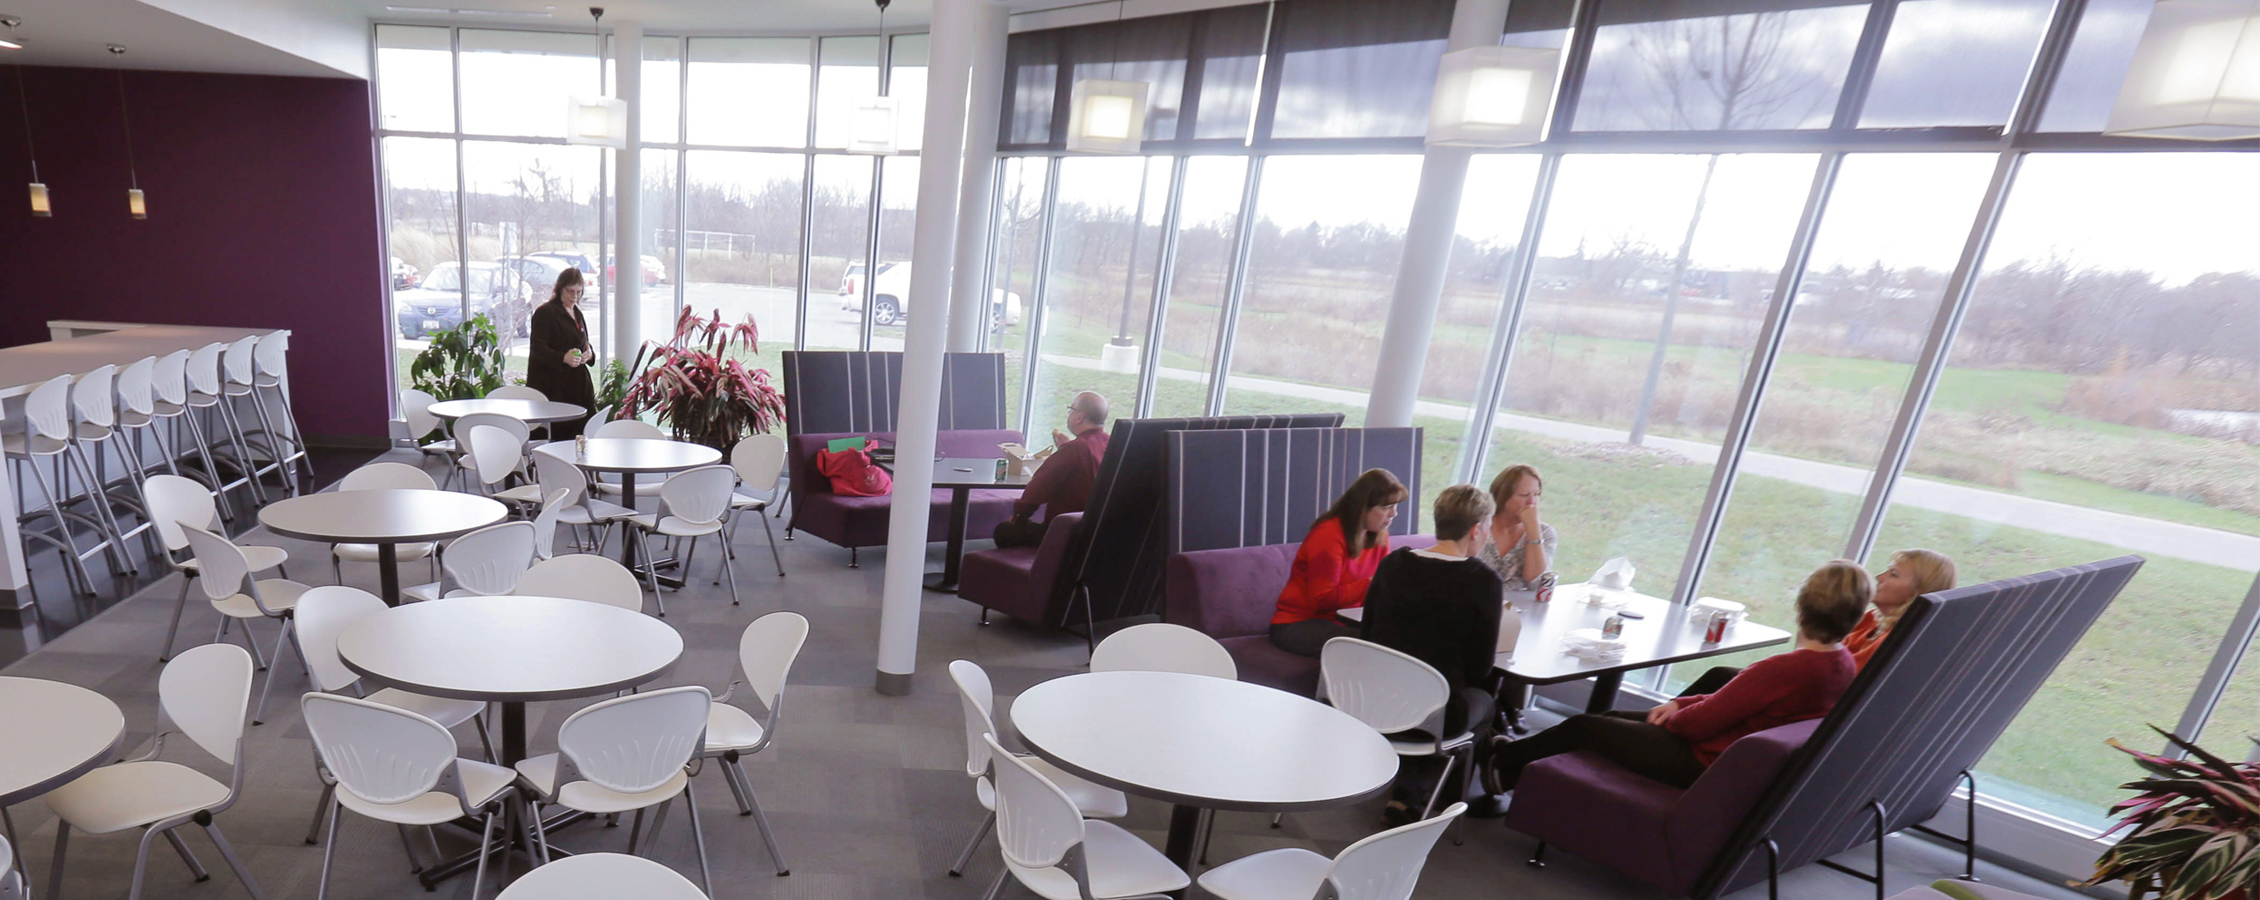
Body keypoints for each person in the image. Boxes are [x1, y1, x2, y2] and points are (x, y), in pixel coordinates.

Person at [1481, 560, 1870, 795]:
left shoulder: (1785, 668)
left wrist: (1678, 712)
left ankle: (1503, 760)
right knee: (1610, 717)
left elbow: (1697, 724)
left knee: (1585, 725)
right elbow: (1727, 705)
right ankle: (1513, 770)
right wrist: (1679, 704)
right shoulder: (1842, 665)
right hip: (1729, 756)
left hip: (1701, 760)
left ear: (1802, 605)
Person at [1359, 484, 1503, 823]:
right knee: (1485, 703)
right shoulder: (1482, 580)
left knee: (1428, 693)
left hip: (1372, 698)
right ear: (1476, 529)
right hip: (1431, 713)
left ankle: (1403, 783)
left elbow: (1367, 634)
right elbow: (1480, 667)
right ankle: (1419, 791)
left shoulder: (1394, 563)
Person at [1677, 548, 1957, 695]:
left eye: (1894, 574)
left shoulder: (1895, 640)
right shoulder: (1872, 620)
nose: (1880, 577)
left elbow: (1833, 678)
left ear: (1918, 592)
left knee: (1731, 683)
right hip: (1808, 689)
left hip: (1814, 704)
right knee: (1721, 675)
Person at [1268, 469, 1408, 658]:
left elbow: (1378, 593)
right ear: (1363, 507)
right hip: (1297, 624)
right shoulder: (1328, 535)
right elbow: (1321, 601)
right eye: (1386, 507)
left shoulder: (1379, 537)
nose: (1394, 514)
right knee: (1376, 646)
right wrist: (1372, 583)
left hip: (1343, 621)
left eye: (1395, 506)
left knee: (1403, 636)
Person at [991, 391, 1111, 548]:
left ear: (1079, 417)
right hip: (1096, 532)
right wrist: (1065, 449)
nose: (1069, 414)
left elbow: (1038, 490)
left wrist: (1019, 517)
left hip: (1065, 533)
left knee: (1003, 531)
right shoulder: (1111, 443)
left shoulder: (1074, 449)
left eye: (1071, 409)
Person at [525, 268, 597, 441]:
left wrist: (589, 353)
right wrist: (563, 358)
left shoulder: (577, 313)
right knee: (560, 436)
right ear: (560, 289)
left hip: (578, 387)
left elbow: (582, 342)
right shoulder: (545, 312)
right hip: (555, 387)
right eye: (570, 291)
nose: (574, 296)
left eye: (578, 292)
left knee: (581, 434)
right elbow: (538, 349)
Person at [1478, 465, 1555, 591]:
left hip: (1517, 608)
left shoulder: (1546, 533)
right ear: (1503, 496)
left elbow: (1536, 584)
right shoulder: (1479, 526)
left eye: (1536, 495)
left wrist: (1533, 530)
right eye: (1524, 495)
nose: (1531, 502)